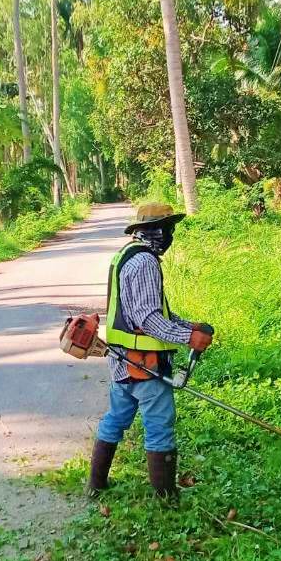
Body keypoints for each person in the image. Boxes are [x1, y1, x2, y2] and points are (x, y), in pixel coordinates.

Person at [86, 203, 214, 500]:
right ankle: (166, 497)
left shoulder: (126, 255)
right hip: (146, 367)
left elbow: (148, 312)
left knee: (115, 420)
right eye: (167, 229)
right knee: (159, 427)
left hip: (122, 362)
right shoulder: (145, 263)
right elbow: (148, 320)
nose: (170, 235)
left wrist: (189, 324)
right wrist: (188, 337)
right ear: (154, 230)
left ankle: (96, 485)